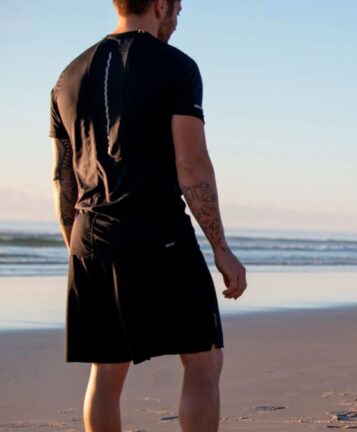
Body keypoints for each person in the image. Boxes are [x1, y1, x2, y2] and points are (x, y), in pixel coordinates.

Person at [49, 1, 247, 430]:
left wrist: (77, 247)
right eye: (178, 8)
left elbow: (63, 181)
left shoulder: (66, 77)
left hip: (90, 239)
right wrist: (221, 248)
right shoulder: (176, 67)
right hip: (159, 236)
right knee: (203, 360)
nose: (177, 18)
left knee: (105, 370)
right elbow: (192, 165)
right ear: (160, 6)